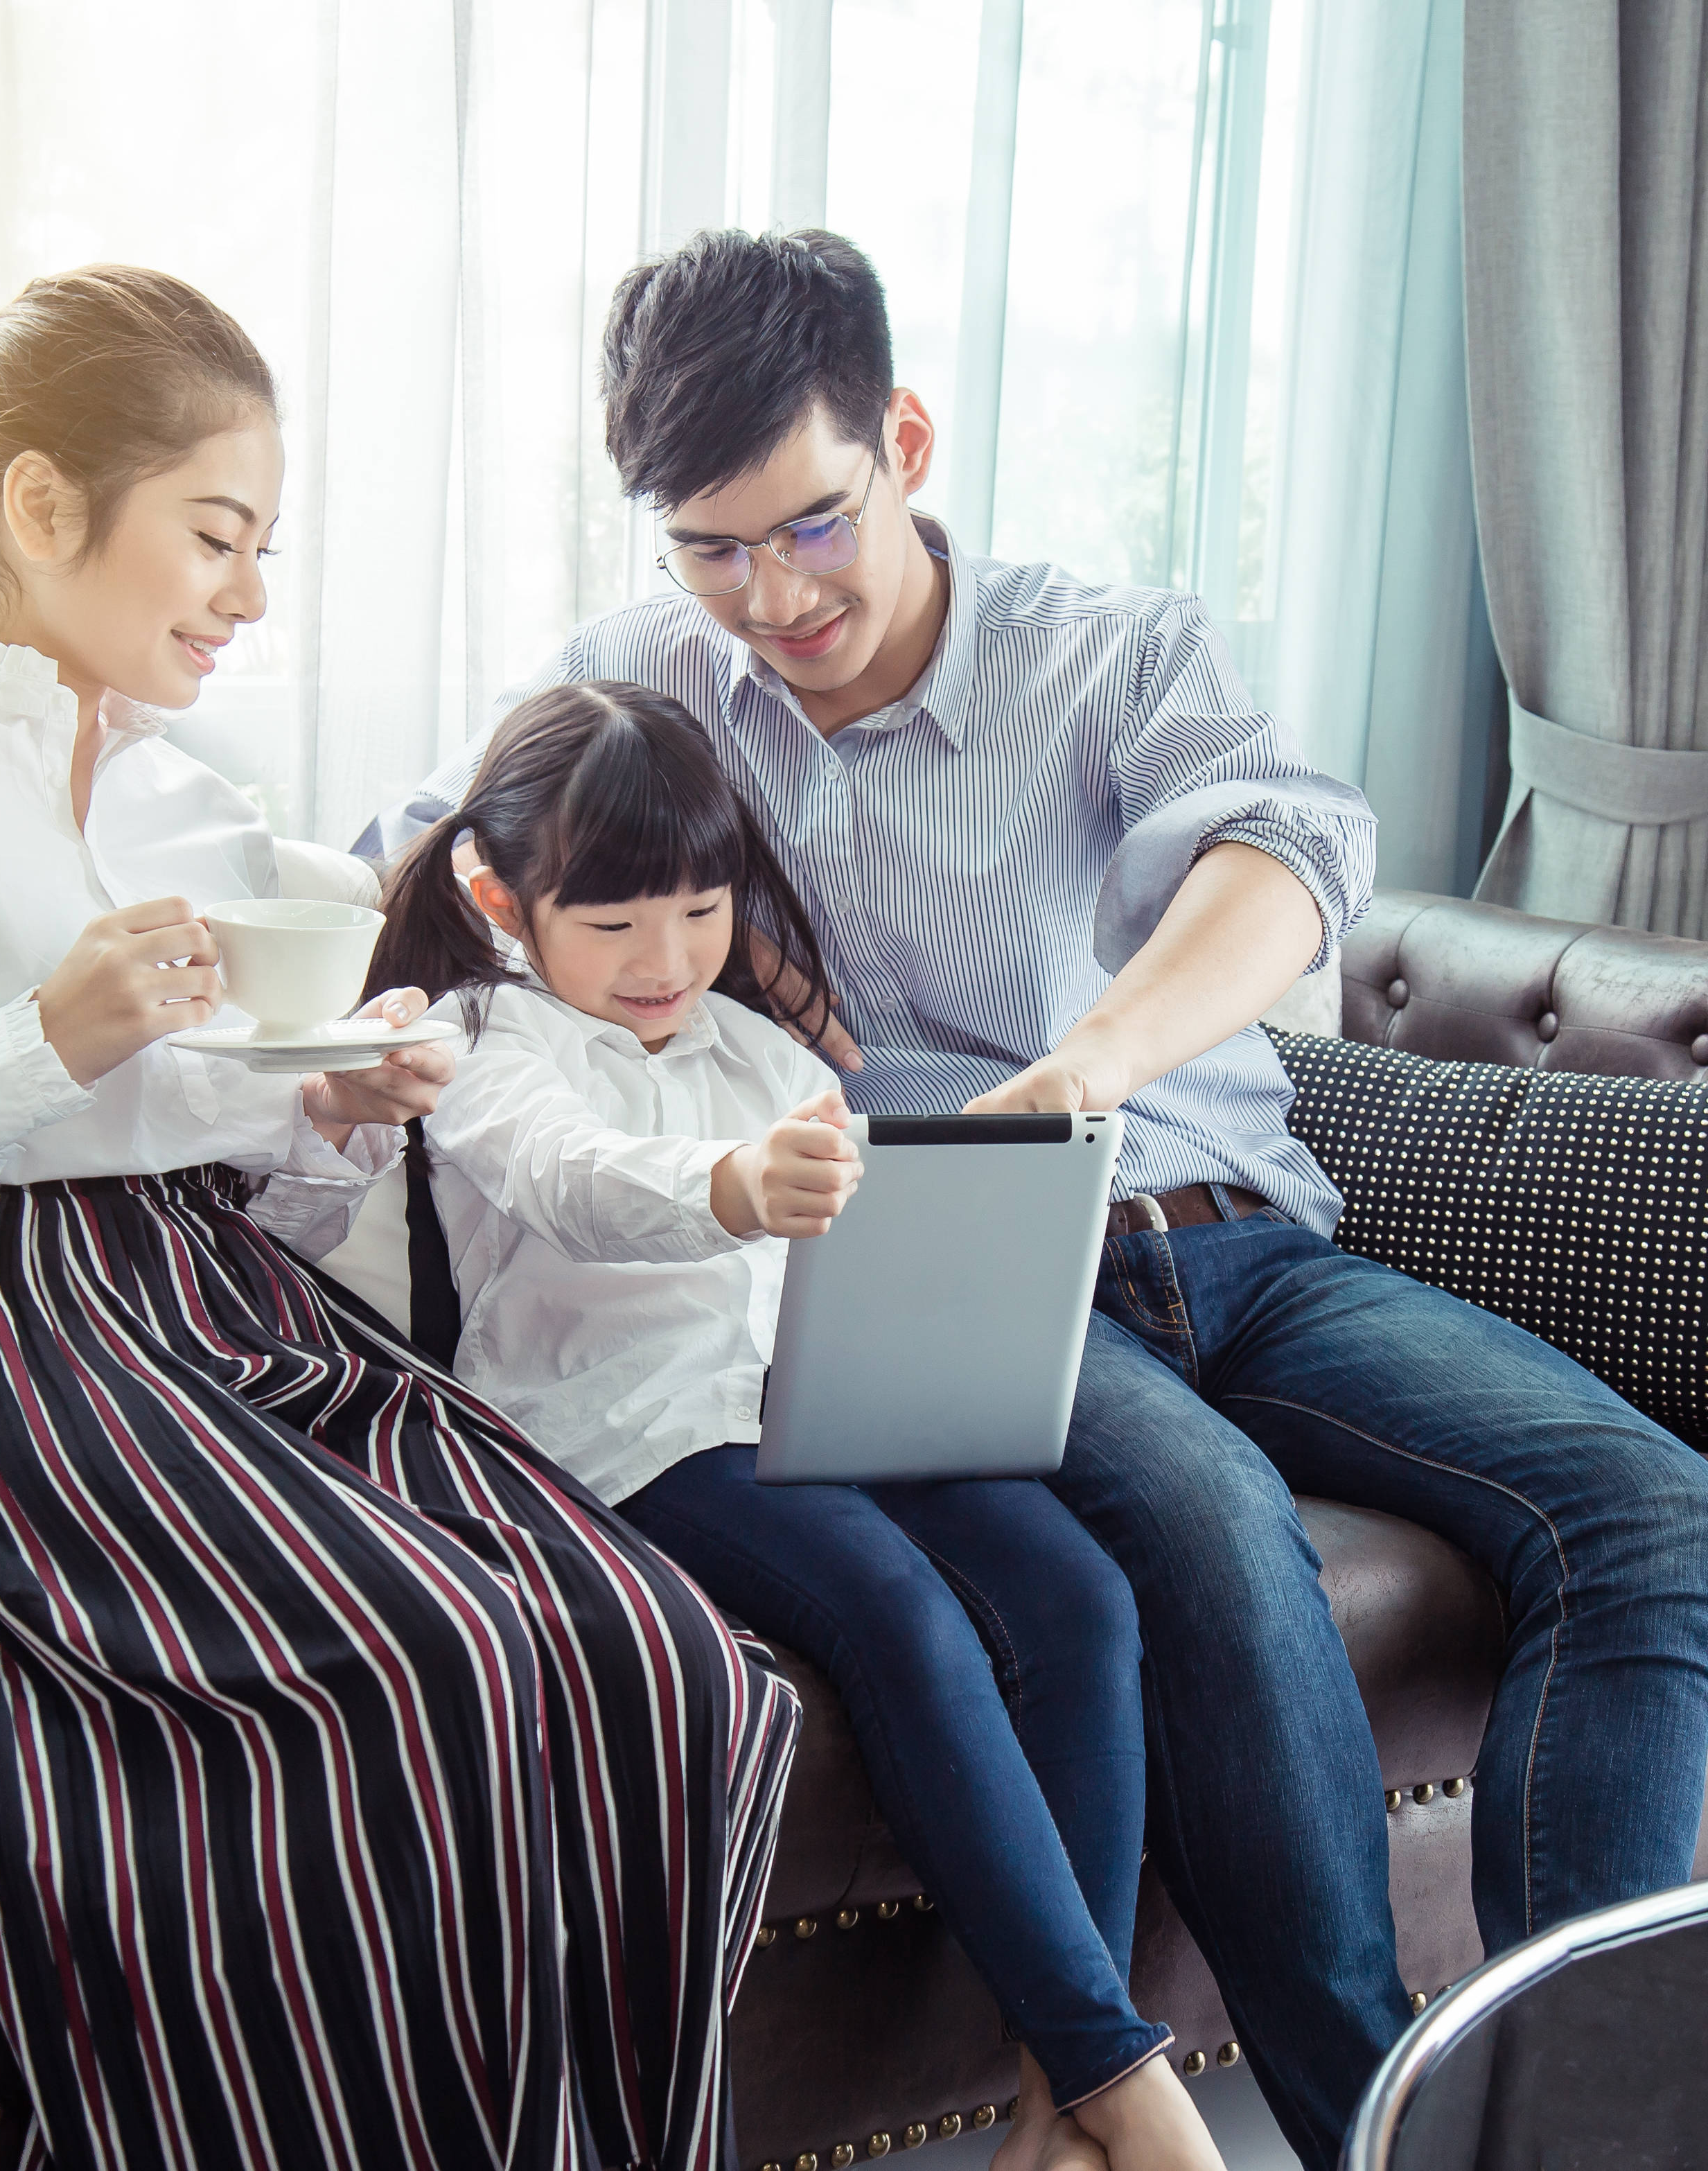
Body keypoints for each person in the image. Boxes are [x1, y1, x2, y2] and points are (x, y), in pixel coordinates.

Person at [368, 229, 1708, 2170]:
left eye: (809, 526)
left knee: (1648, 1509)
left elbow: (1288, 854)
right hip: (968, 1279)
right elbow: (420, 878)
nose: (769, 597)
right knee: (1212, 1535)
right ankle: (1378, 2125)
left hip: (1237, 1226)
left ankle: (1546, 2096)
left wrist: (1089, 1060)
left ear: (904, 440)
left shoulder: (1109, 649)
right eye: (709, 548)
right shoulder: (636, 682)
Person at [0, 266, 799, 2171]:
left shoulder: (196, 806)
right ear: (38, 504)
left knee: (651, 1642)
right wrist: (25, 1045)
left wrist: (326, 1110)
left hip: (208, 1306)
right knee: (447, 1665)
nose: (250, 595)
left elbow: (226, 1168)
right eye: (216, 535)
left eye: (266, 545)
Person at [369, 680, 1229, 2171]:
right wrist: (732, 1186)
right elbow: (572, 1176)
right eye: (617, 918)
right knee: (899, 1609)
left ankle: (1050, 2108)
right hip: (630, 1433)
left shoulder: (755, 1049)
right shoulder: (476, 1041)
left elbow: (853, 1228)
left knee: (1079, 1595)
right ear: (500, 894)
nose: (666, 957)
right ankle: (1129, 2086)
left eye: (700, 910)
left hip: (818, 1397)